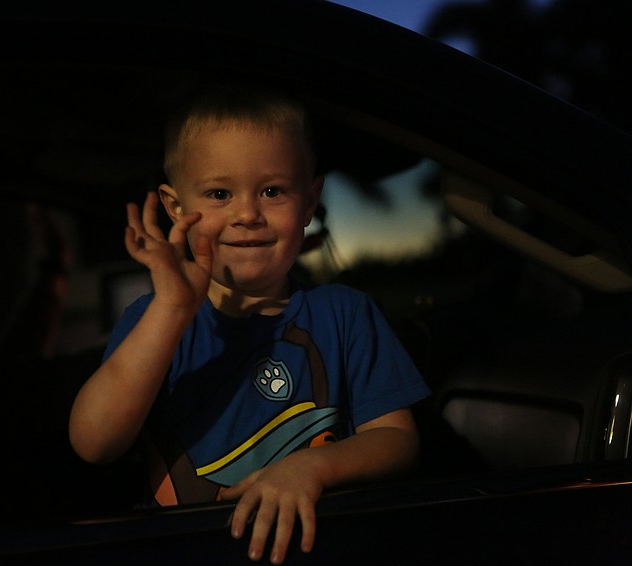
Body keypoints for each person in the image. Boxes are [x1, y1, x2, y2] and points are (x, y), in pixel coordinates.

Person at [69, 84, 430, 564]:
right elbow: (94, 442)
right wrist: (172, 310)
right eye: (220, 194)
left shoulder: (345, 312)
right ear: (176, 209)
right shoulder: (155, 319)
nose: (247, 214)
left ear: (309, 201)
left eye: (272, 191)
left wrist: (310, 468)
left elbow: (397, 441)